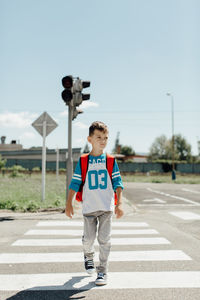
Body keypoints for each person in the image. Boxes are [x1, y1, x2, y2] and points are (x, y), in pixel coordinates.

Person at [65, 121, 124, 286]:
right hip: (89, 208)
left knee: (104, 240)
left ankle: (102, 271)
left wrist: (119, 204)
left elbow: (118, 183)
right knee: (89, 239)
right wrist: (68, 203)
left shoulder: (111, 161)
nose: (103, 141)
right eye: (98, 137)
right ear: (89, 139)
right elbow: (75, 183)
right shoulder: (84, 161)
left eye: (105, 137)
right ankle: (88, 255)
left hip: (106, 208)